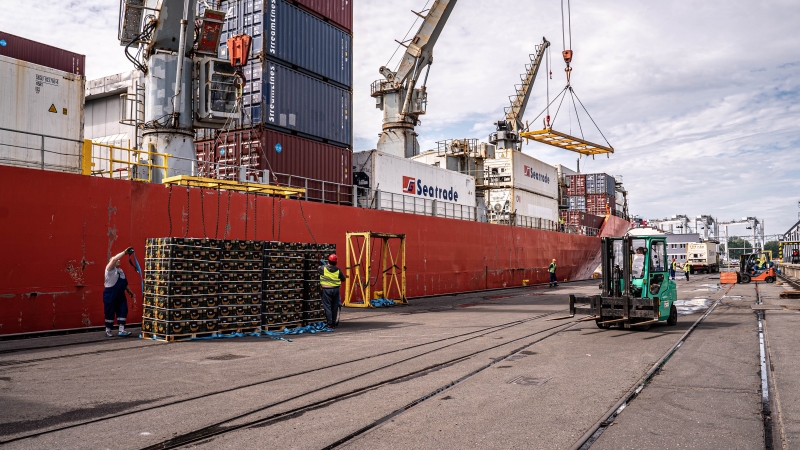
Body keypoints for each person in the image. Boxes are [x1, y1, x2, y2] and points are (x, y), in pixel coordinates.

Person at [105, 247, 136, 337]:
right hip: (110, 293)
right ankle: (108, 330)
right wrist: (124, 252)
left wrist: (129, 291)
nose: (118, 261)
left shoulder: (121, 271)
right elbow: (114, 259)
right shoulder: (109, 269)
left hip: (120, 294)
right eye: (116, 260)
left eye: (119, 260)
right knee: (109, 311)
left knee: (123, 310)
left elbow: (123, 282)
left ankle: (121, 330)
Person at [319, 254, 345, 328]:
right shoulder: (338, 270)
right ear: (336, 262)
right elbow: (343, 279)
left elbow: (318, 269)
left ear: (328, 261)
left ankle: (329, 323)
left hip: (326, 290)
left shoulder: (323, 268)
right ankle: (333, 323)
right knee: (334, 307)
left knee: (327, 306)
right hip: (336, 290)